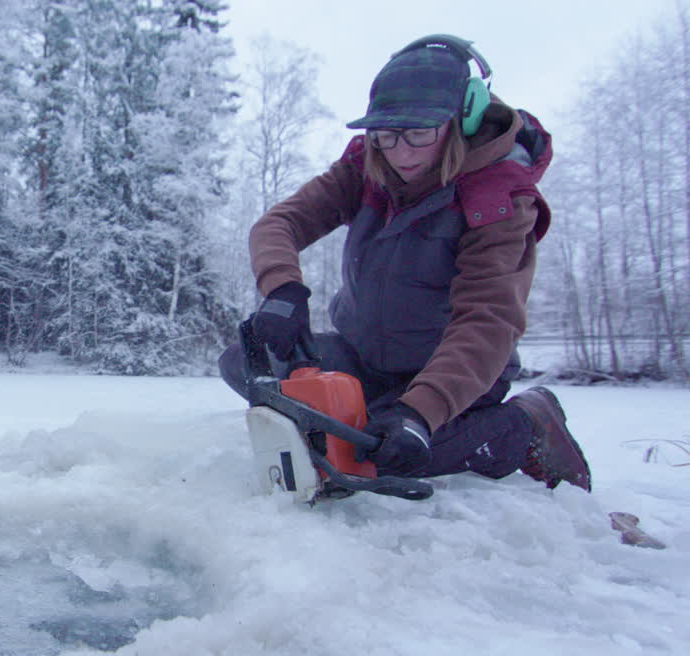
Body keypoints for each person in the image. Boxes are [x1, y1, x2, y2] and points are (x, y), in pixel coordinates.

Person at [219, 34, 591, 492]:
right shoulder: (366, 164)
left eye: (419, 133)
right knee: (243, 363)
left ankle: (524, 425)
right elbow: (280, 224)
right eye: (386, 134)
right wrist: (282, 289)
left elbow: (487, 323)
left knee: (387, 455)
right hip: (363, 356)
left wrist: (420, 412)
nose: (401, 152)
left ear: (463, 119)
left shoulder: (500, 199)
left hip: (453, 375)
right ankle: (368, 419)